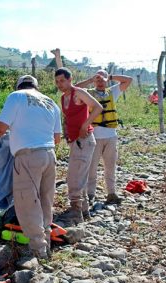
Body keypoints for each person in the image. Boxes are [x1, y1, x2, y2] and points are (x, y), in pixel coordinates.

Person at [0, 75, 62, 259]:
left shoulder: (16, 96)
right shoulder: (50, 102)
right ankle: (46, 241)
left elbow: (0, 128)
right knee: (45, 200)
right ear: (36, 87)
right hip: (49, 154)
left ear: (19, 85)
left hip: (28, 156)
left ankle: (38, 249)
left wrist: (3, 136)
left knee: (27, 202)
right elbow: (57, 138)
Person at [75, 70, 132, 205]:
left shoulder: (112, 92)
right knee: (92, 167)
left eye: (103, 79)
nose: (100, 82)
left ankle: (111, 193)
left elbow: (128, 80)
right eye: (98, 80)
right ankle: (90, 194)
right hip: (94, 136)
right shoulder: (88, 93)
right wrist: (90, 80)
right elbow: (75, 89)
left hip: (111, 136)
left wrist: (110, 77)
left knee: (110, 166)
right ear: (94, 81)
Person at [54, 67, 102, 224]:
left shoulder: (79, 92)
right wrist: (66, 132)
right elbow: (67, 117)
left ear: (70, 80)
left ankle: (76, 211)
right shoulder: (63, 97)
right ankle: (84, 211)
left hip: (85, 139)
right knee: (79, 176)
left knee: (74, 178)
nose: (59, 84)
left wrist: (85, 125)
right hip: (75, 140)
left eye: (62, 80)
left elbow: (98, 107)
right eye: (57, 81)